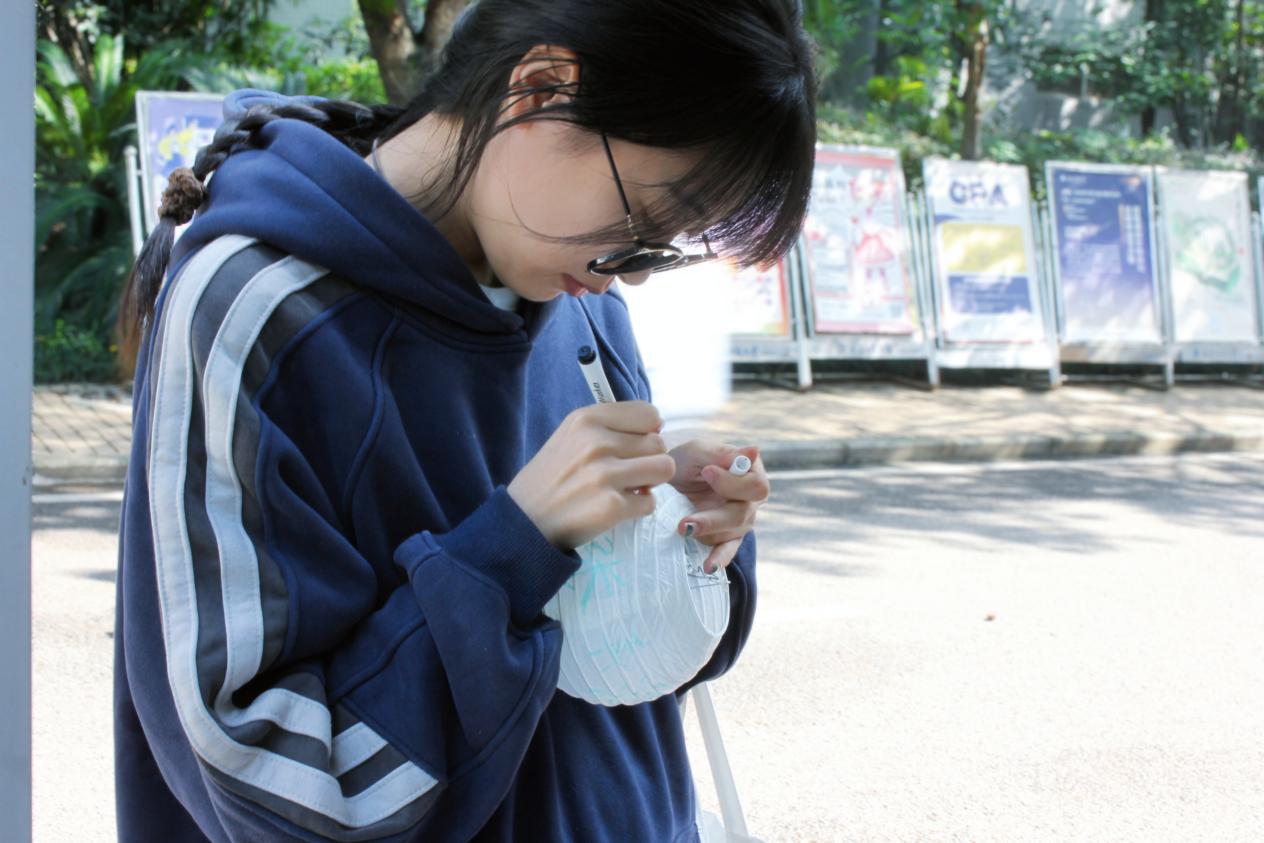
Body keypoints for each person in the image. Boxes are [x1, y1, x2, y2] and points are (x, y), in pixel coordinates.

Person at [112, 1, 815, 840]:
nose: (630, 276)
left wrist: (683, 530)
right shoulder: (255, 313)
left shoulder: (581, 299)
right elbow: (270, 787)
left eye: (665, 247)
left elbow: (611, 675)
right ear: (541, 88)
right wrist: (514, 549)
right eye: (640, 224)